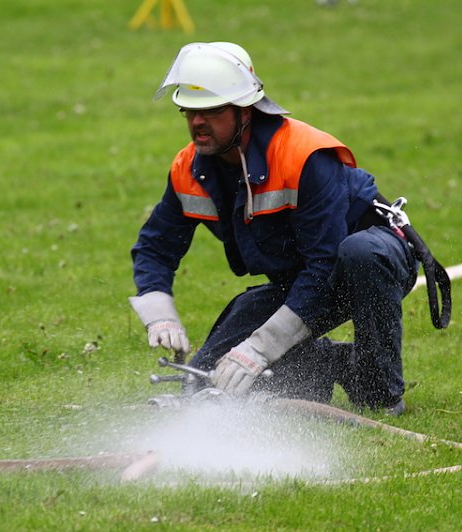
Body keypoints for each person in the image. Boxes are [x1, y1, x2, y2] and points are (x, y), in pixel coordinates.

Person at [130, 42, 423, 415]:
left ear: (245, 111)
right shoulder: (191, 167)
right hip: (300, 278)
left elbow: (326, 265)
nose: (197, 123)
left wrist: (260, 348)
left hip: (369, 261)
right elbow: (156, 247)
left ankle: (379, 392)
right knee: (210, 374)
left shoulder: (303, 155)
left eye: (212, 111)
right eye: (188, 112)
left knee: (360, 256)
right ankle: (329, 366)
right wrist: (160, 314)